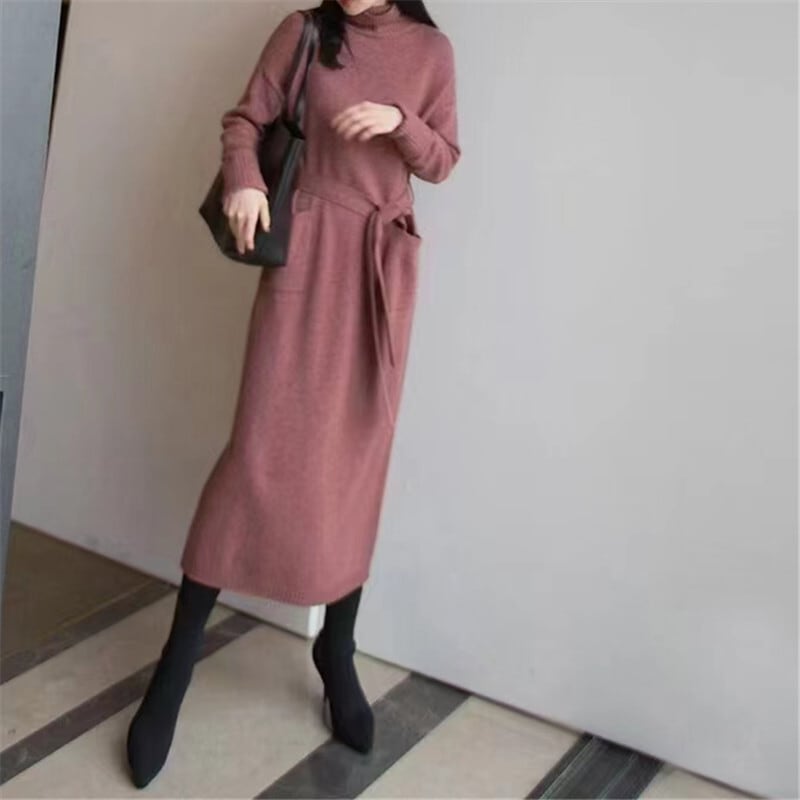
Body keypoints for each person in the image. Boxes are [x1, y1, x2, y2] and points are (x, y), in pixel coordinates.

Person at [126, 0, 460, 788]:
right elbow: (246, 120)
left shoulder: (432, 51)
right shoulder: (304, 31)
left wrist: (400, 122)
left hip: (381, 271)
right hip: (305, 257)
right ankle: (176, 664)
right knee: (257, 456)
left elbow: (444, 160)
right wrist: (244, 183)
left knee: (355, 466)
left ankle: (336, 649)